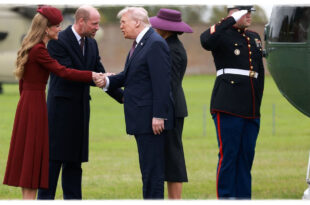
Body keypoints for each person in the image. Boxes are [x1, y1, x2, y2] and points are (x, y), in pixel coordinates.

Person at [2, 5, 101, 200]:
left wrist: (26, 104)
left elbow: (23, 83)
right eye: (57, 26)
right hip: (35, 105)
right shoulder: (40, 50)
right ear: (46, 28)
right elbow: (62, 71)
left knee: (31, 156)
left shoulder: (32, 46)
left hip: (29, 103)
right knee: (34, 157)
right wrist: (92, 75)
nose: (60, 29)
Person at [37, 5, 123, 200]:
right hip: (59, 114)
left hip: (80, 113)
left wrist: (123, 96)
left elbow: (100, 72)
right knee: (53, 164)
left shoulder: (91, 44)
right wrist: (95, 76)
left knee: (75, 166)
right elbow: (66, 72)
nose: (97, 28)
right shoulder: (58, 41)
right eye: (94, 23)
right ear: (81, 21)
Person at [100, 7, 174, 199]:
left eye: (123, 22)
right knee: (148, 171)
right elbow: (129, 75)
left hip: (151, 121)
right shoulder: (140, 44)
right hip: (142, 120)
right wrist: (107, 81)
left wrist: (159, 115)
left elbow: (162, 83)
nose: (121, 27)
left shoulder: (154, 43)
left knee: (153, 172)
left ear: (137, 22)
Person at [200, 5, 265, 199]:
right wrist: (229, 20)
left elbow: (258, 73)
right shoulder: (221, 33)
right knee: (229, 156)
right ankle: (226, 197)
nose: (249, 16)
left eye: (250, 12)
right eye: (244, 12)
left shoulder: (254, 36)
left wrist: (258, 103)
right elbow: (205, 40)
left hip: (251, 105)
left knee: (246, 157)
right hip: (228, 103)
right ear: (233, 12)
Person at [149, 8, 193, 199]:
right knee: (167, 157)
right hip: (170, 107)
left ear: (165, 29)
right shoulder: (169, 44)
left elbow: (167, 83)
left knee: (173, 158)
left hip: (171, 109)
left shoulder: (171, 48)